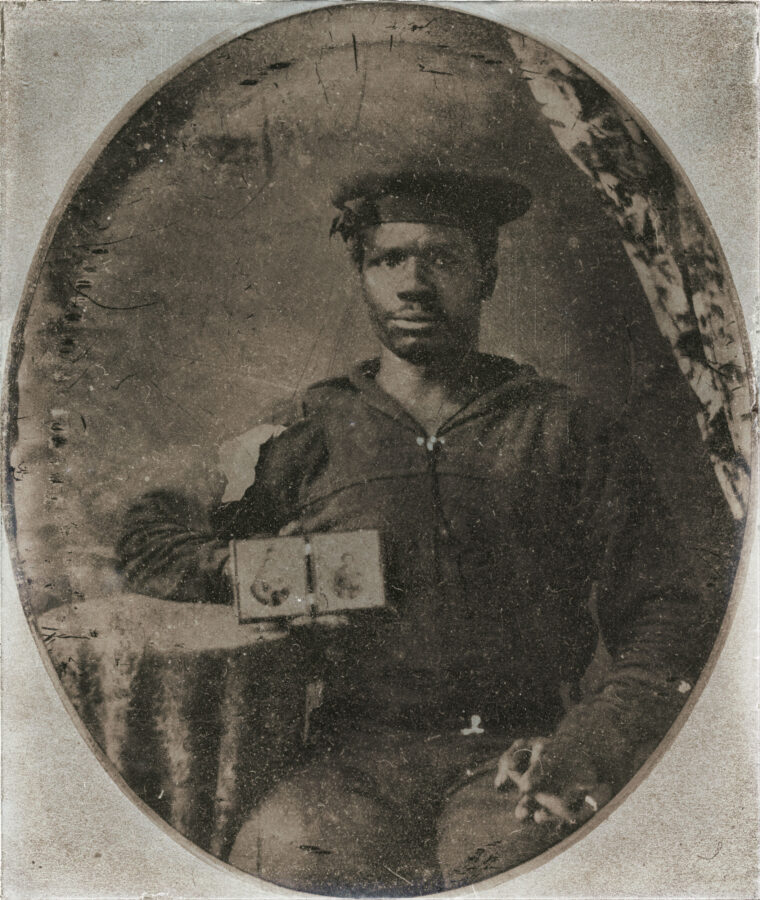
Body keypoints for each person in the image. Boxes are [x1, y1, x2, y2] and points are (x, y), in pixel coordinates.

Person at [117, 170, 710, 895]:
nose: (415, 283)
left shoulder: (568, 429)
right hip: (349, 760)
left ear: (486, 274)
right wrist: (276, 575)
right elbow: (150, 538)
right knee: (278, 864)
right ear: (362, 275)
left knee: (527, 873)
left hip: (517, 750)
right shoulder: (308, 426)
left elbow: (669, 612)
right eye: (389, 259)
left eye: (443, 258)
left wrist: (590, 743)